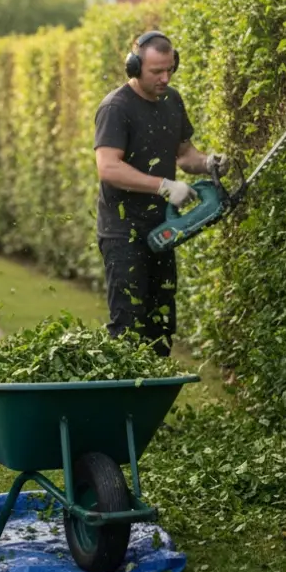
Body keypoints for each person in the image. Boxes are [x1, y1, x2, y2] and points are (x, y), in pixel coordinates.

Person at [92, 31, 227, 359]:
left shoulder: (172, 101)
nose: (164, 78)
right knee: (128, 325)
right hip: (123, 232)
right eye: (156, 72)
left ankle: (151, 404)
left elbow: (184, 154)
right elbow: (108, 167)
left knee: (161, 324)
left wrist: (207, 162)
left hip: (162, 230)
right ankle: (121, 405)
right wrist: (163, 186)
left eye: (169, 69)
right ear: (135, 67)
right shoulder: (116, 108)